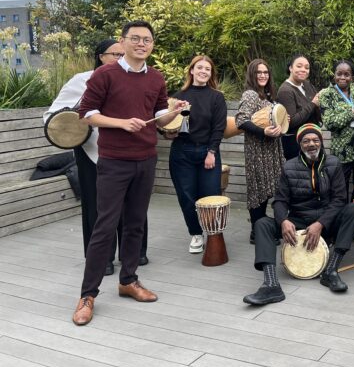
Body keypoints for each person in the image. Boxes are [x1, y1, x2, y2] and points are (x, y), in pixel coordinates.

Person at [72, 20, 186, 326]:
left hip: (145, 159)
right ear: (123, 43)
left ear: (152, 45)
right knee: (105, 226)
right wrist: (122, 123)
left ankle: (128, 280)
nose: (141, 44)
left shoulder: (156, 78)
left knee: (135, 224)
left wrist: (172, 114)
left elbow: (159, 115)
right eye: (135, 38)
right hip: (113, 161)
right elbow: (86, 114)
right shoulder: (104, 74)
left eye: (147, 39)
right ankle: (88, 295)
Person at [45, 39, 149, 275]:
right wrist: (73, 125)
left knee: (132, 203)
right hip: (91, 153)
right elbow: (53, 115)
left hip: (128, 149)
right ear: (100, 56)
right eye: (116, 54)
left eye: (124, 54)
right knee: (97, 207)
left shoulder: (136, 78)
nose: (121, 58)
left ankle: (134, 252)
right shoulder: (81, 81)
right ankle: (101, 260)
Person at [243, 123, 354, 305]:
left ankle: (331, 271)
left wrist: (320, 223)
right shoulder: (289, 167)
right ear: (300, 144)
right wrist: (283, 220)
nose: (311, 144)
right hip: (298, 220)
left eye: (315, 140)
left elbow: (339, 199)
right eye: (306, 141)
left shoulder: (333, 164)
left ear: (321, 142)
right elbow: (281, 200)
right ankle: (271, 284)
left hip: (326, 222)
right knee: (262, 223)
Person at [168, 55, 227, 254]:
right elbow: (166, 125)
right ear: (191, 70)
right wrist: (169, 131)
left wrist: (211, 152)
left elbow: (219, 128)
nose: (203, 71)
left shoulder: (216, 97)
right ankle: (195, 233)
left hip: (207, 152)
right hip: (181, 152)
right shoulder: (178, 96)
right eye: (199, 68)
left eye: (207, 69)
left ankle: (213, 234)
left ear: (211, 74)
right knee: (186, 197)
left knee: (210, 196)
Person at [236, 59, 285, 243]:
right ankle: (257, 233)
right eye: (258, 72)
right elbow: (241, 120)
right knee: (258, 192)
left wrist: (281, 123)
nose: (263, 75)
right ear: (252, 75)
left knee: (271, 190)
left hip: (272, 150)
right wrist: (263, 131)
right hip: (257, 151)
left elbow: (272, 120)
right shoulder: (250, 95)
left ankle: (263, 230)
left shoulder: (268, 96)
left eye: (265, 72)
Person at [317, 60, 354, 200]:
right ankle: (341, 220)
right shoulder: (326, 94)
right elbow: (329, 122)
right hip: (340, 153)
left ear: (352, 77)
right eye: (339, 74)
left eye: (347, 74)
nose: (342, 77)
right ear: (334, 75)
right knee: (339, 191)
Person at [276, 53, 321, 161]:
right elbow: (291, 122)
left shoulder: (307, 85)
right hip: (295, 144)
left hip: (312, 140)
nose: (303, 70)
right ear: (290, 68)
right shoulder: (285, 91)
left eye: (307, 67)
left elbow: (317, 106)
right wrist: (313, 104)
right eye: (299, 66)